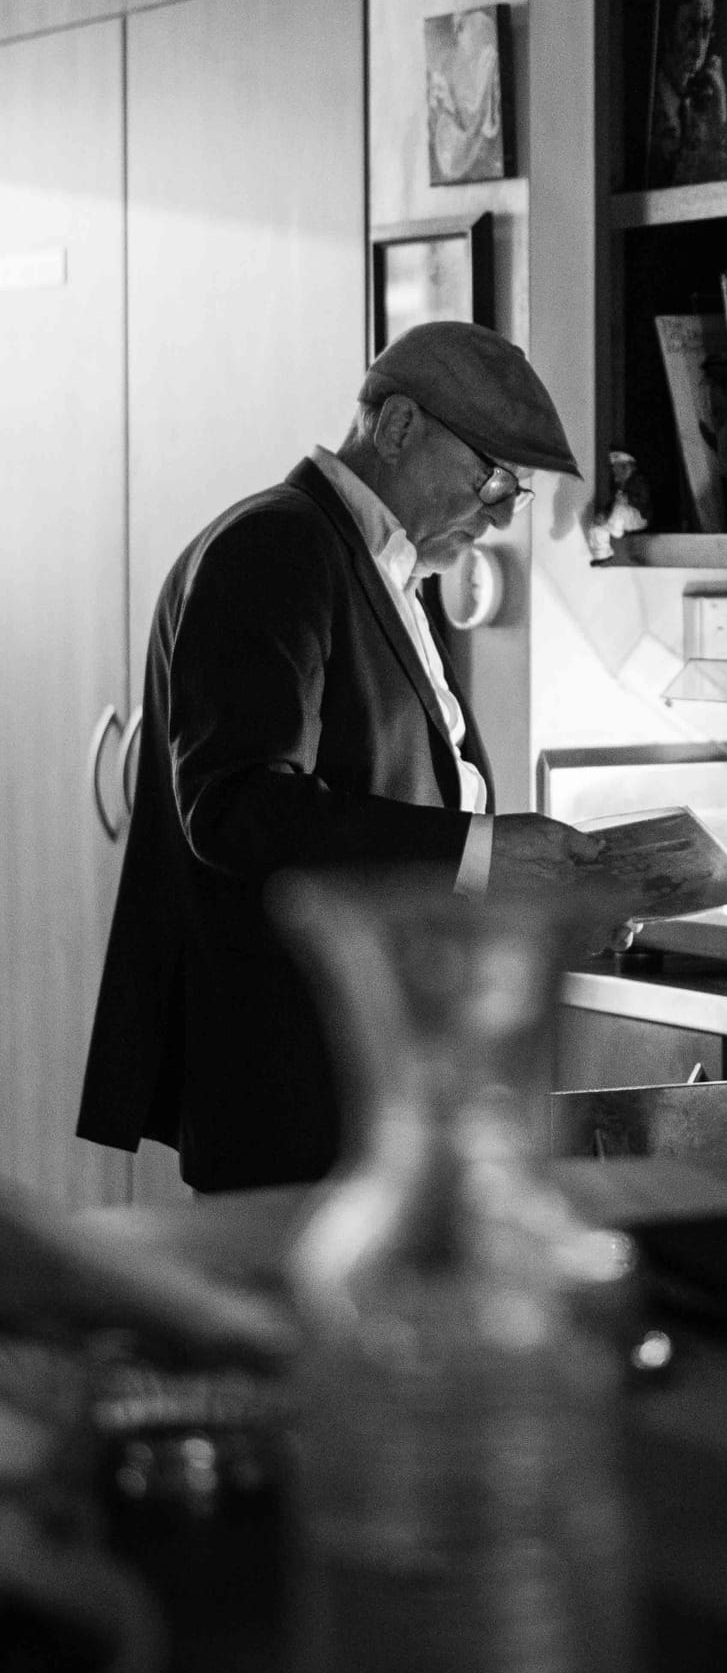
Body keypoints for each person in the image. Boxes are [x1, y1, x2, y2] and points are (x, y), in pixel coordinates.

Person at [76, 322, 605, 1193]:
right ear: (398, 426)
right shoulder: (273, 548)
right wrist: (479, 852)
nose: (506, 510)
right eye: (496, 477)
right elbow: (237, 805)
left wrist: (505, 883)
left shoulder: (384, 563)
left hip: (370, 1072)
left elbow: (382, 792)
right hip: (295, 1079)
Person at [649, 0, 727, 184]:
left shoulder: (704, 104)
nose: (699, 48)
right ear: (666, 31)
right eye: (688, 28)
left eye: (706, 29)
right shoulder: (648, 106)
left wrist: (720, 119)